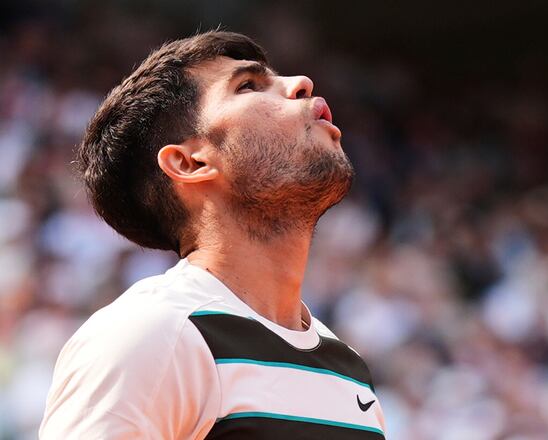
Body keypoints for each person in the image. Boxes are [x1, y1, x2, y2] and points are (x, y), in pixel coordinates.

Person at [39, 31, 385, 439]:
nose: (301, 83)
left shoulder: (350, 370)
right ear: (189, 162)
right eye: (248, 86)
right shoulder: (156, 333)